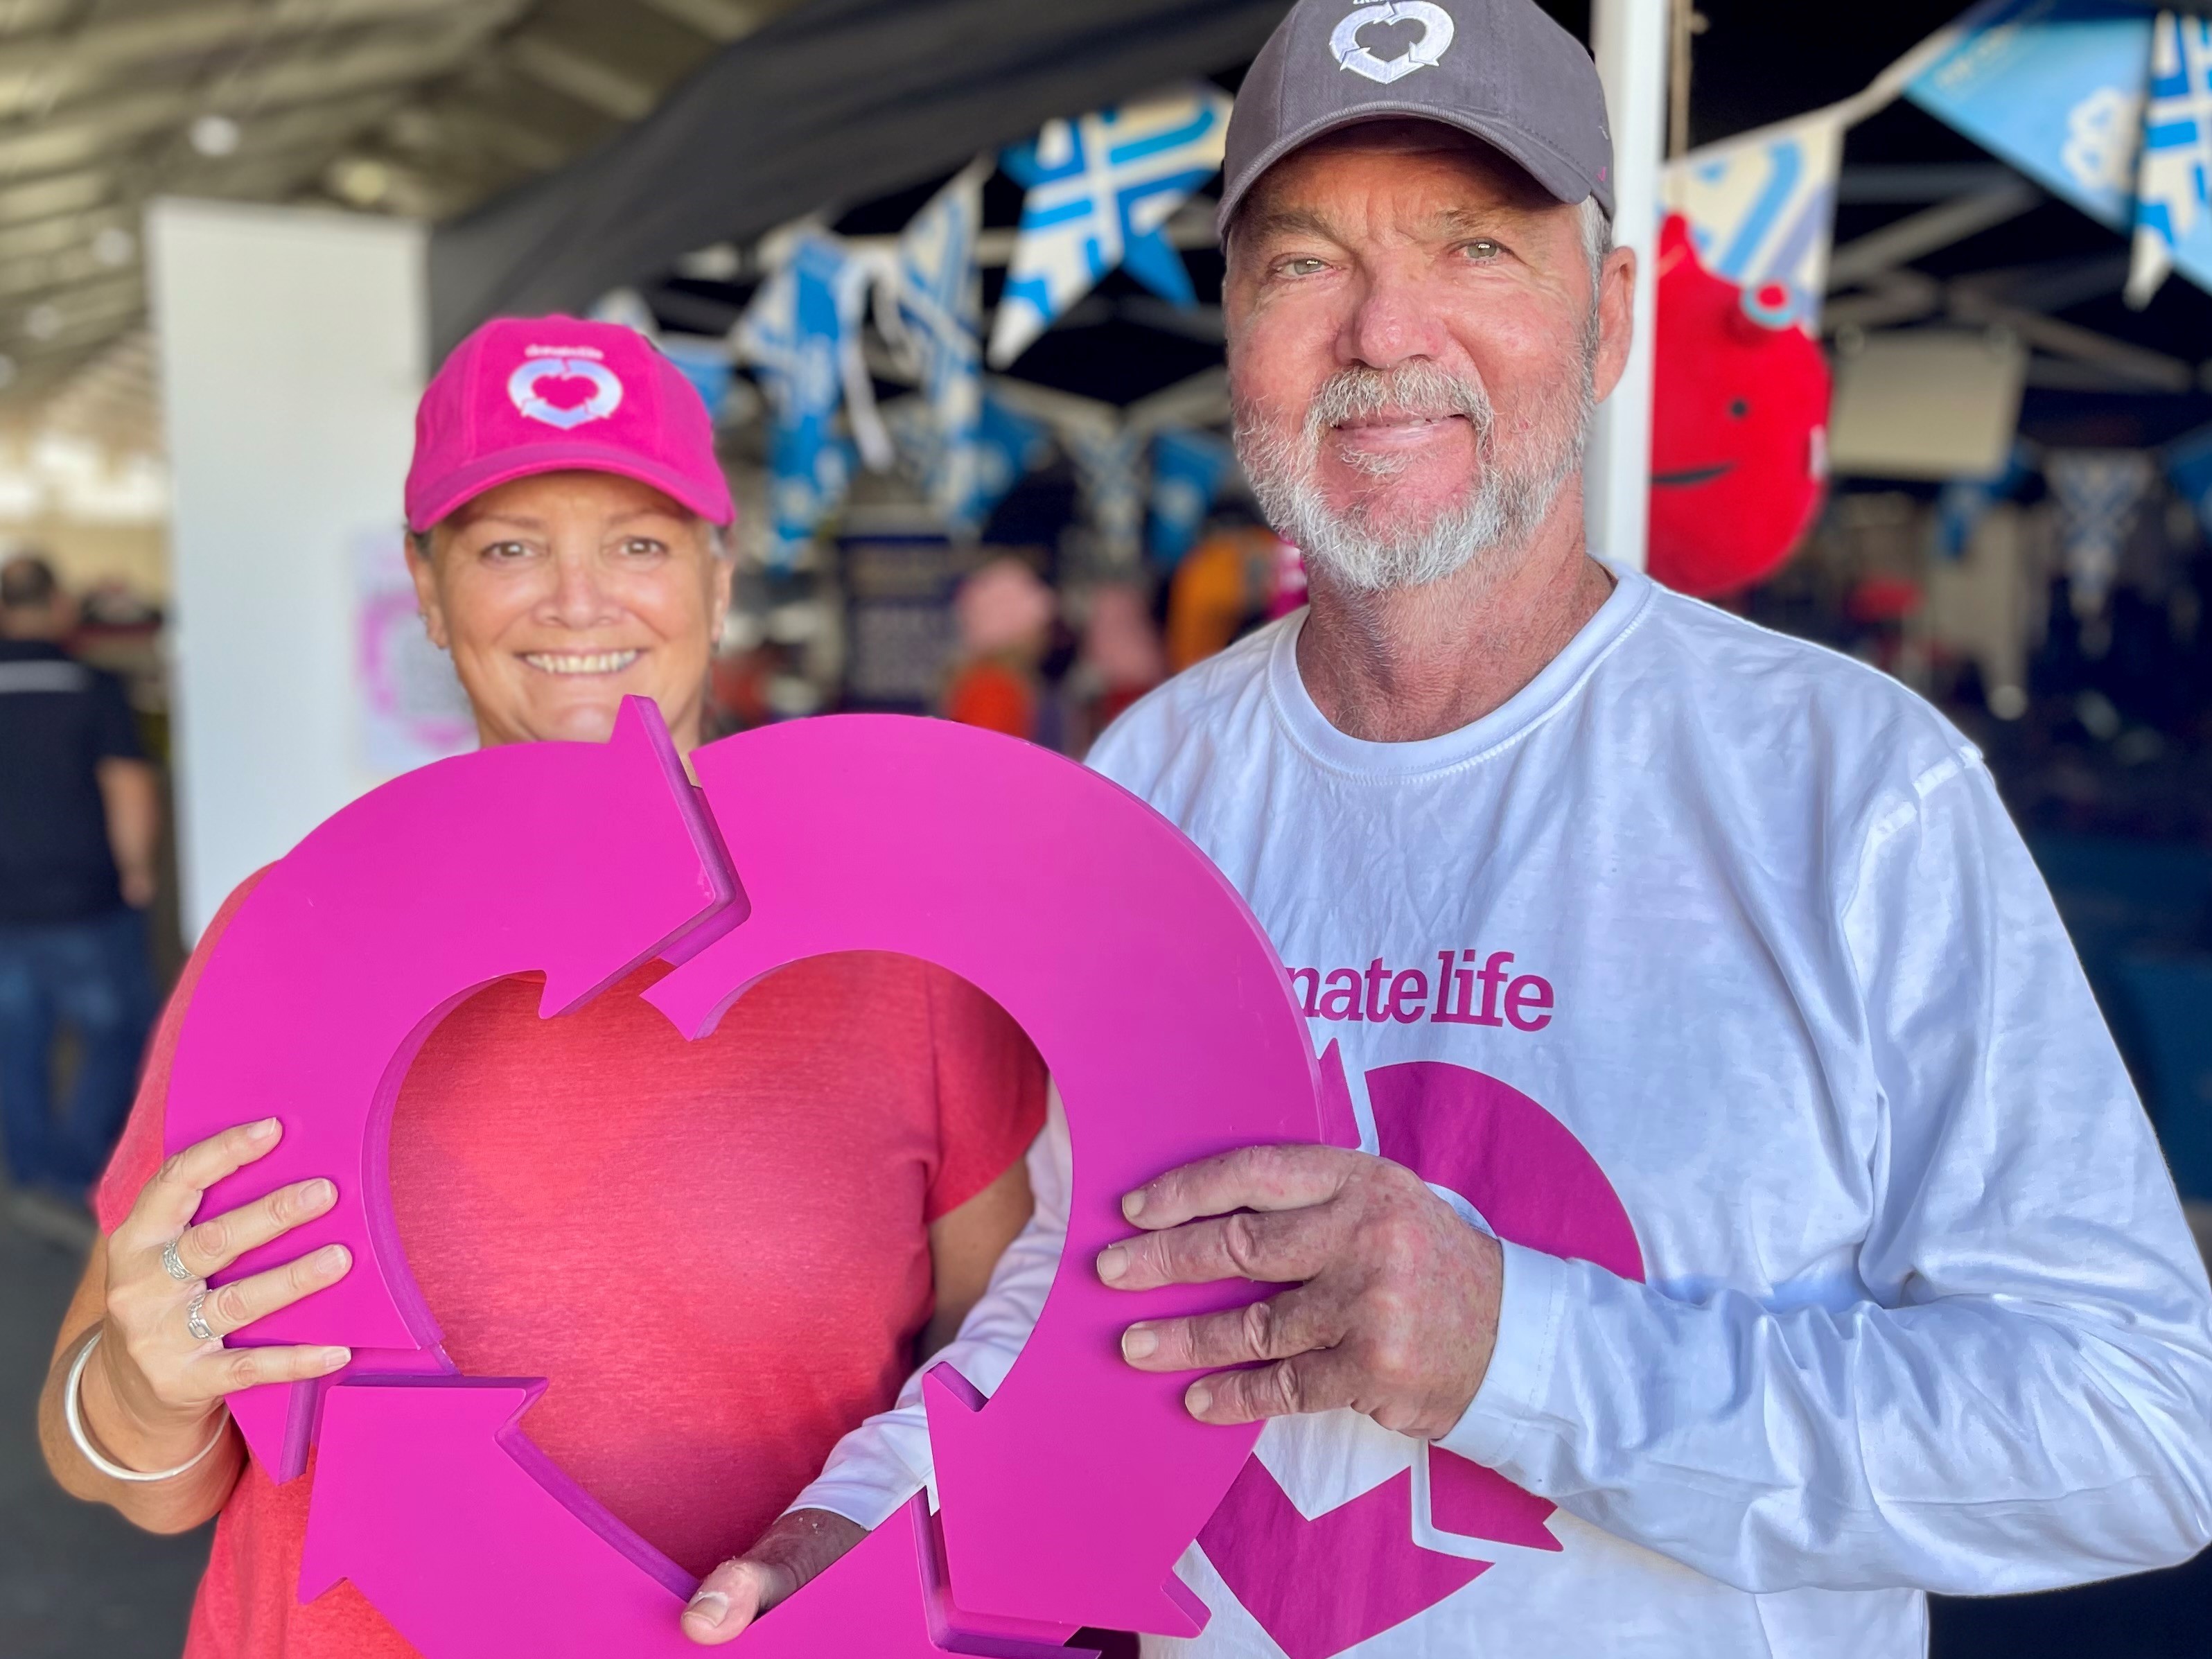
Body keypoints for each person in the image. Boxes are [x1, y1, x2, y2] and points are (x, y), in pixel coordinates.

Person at [741, 2, 2212, 1655]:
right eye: (1302, 262)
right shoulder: (1153, 779)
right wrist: (865, 1517)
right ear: (1236, 326)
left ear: (1607, 324)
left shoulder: (1848, 785)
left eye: (1477, 248)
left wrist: (1518, 1351)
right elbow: (1096, 1281)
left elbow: (2136, 1425)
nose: (1384, 330)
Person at [35, 316, 1046, 1656]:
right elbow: (107, 1449)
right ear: (430, 587)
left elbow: (1000, 1358)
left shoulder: (900, 959)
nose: (579, 601)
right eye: (509, 545)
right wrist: (140, 1395)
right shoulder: (291, 934)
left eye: (638, 541)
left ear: (719, 574)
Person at [0, 552, 160, 1229]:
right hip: (84, 897)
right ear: (61, 607)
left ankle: (34, 1171)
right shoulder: (91, 686)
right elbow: (126, 784)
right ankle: (82, 1167)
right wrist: (137, 868)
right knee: (116, 1033)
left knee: (16, 1039)